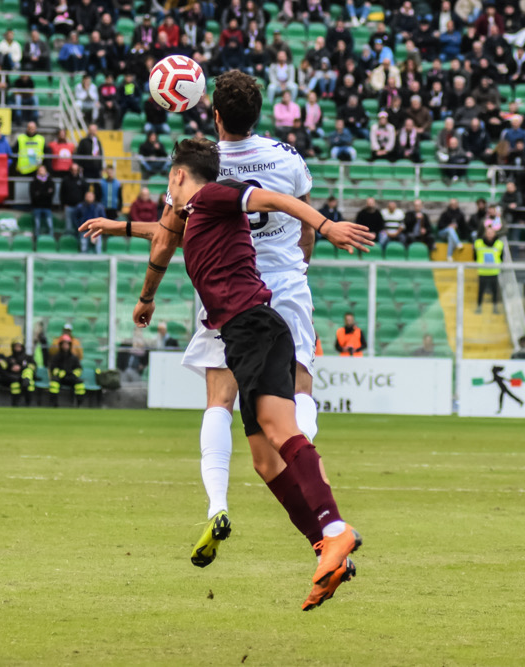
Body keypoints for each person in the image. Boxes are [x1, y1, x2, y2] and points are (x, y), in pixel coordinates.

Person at [78, 71, 370, 595]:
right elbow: (284, 219)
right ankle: (324, 540)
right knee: (270, 444)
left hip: (248, 310)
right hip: (276, 292)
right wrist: (312, 244)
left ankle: (313, 519)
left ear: (213, 114)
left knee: (240, 410)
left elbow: (171, 236)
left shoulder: (208, 177)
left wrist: (146, 294)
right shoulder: (284, 158)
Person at [133, 137, 368, 610]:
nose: (168, 195)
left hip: (256, 328)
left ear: (179, 175)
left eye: (168, 182)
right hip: (245, 339)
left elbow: (274, 198)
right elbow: (162, 233)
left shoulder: (212, 195)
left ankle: (336, 529)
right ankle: (325, 547)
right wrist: (120, 228)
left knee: (283, 432)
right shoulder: (199, 212)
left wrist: (327, 226)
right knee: (264, 460)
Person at [48, 336, 86, 407]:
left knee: (79, 383)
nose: (65, 346)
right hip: (60, 378)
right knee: (54, 382)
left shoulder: (74, 358)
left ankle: (80, 404)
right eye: (64, 344)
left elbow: (78, 368)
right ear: (60, 345)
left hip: (71, 378)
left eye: (67, 344)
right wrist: (60, 373)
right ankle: (54, 404)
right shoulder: (56, 357)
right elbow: (53, 368)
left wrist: (73, 375)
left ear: (70, 345)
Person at [475, 226, 503, 314]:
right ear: (485, 233)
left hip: (494, 272)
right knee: (481, 291)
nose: (490, 235)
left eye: (491, 233)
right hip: (482, 272)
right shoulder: (478, 243)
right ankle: (479, 308)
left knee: (495, 291)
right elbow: (475, 257)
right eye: (488, 232)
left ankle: (495, 308)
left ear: (494, 234)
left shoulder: (499, 244)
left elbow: (502, 257)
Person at [7, 340, 37, 406]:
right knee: (15, 384)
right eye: (16, 346)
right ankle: (15, 404)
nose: (17, 348)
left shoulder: (28, 357)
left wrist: (21, 367)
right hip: (14, 377)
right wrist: (11, 368)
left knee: (29, 381)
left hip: (25, 377)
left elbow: (33, 367)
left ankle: (28, 403)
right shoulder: (10, 358)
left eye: (19, 346)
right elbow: (5, 368)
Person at [30, 164, 56, 236]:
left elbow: (51, 194)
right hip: (37, 206)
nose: (41, 172)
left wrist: (40, 193)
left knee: (50, 226)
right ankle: (37, 242)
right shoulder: (34, 182)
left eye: (43, 170)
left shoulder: (50, 181)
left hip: (47, 206)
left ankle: (51, 240)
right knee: (37, 226)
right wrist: (45, 193)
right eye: (40, 170)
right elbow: (33, 195)